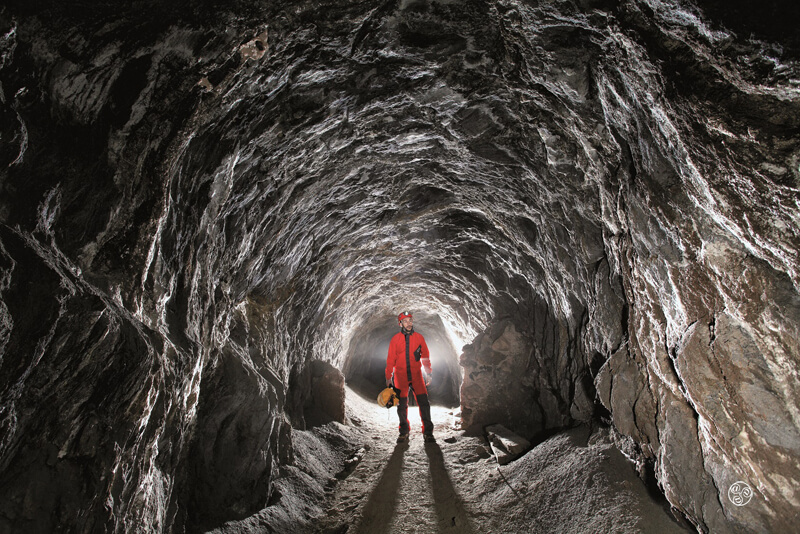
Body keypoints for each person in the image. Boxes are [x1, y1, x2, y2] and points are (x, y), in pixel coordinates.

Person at [385, 311, 435, 443]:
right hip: (400, 377)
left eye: (410, 320)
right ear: (400, 323)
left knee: (424, 404)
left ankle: (428, 432)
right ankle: (404, 431)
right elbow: (390, 359)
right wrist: (388, 377)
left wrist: (428, 373)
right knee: (401, 406)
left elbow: (425, 356)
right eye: (405, 321)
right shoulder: (395, 339)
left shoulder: (419, 338)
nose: (409, 323)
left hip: (417, 376)